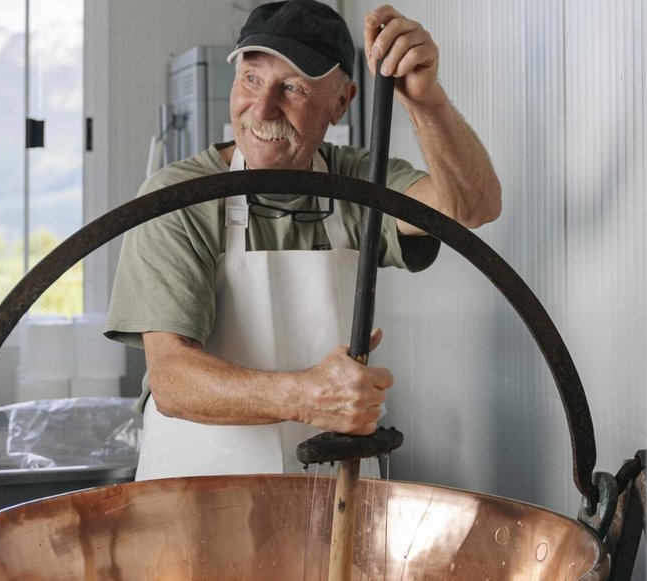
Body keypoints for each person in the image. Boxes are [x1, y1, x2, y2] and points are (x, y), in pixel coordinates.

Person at [105, 0, 500, 481]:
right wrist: (309, 397)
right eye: (251, 79)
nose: (262, 108)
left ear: (341, 102)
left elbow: (471, 206)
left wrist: (425, 99)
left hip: (334, 499)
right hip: (200, 497)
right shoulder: (179, 197)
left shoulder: (356, 182)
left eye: (292, 87)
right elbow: (173, 380)